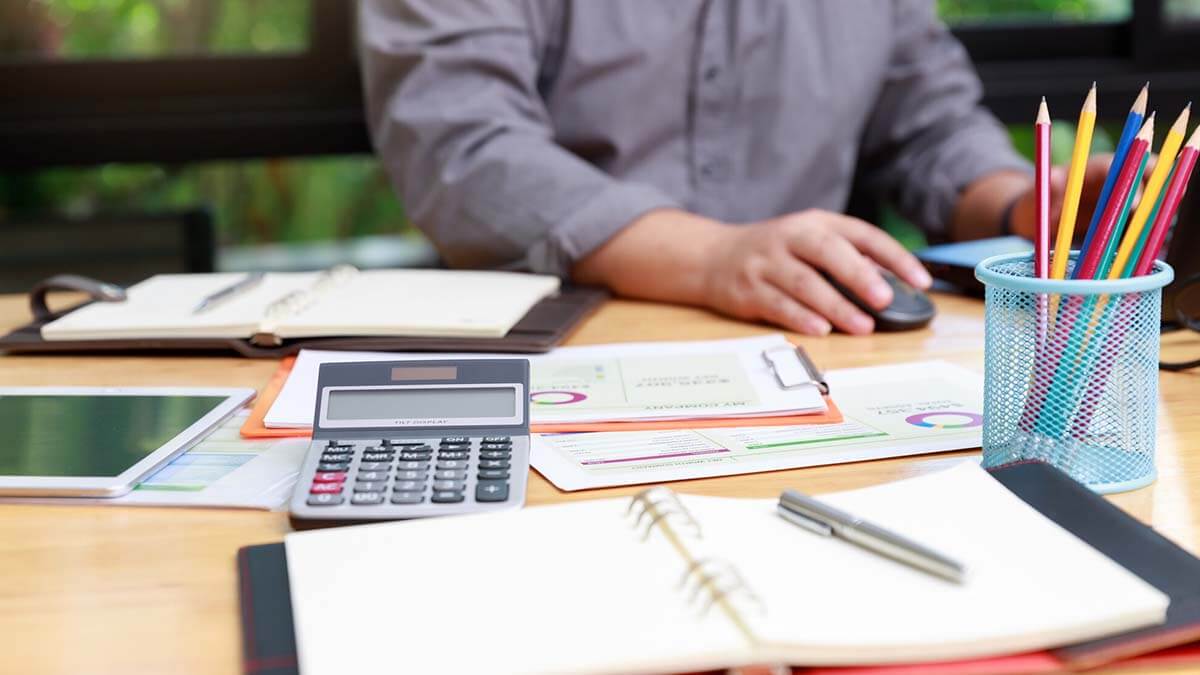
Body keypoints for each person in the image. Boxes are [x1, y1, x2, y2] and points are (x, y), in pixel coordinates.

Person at [360, 0, 1108, 335]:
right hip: (552, 355)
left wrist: (1030, 200)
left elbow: (929, 126)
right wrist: (714, 256)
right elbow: (460, 140)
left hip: (815, 359)